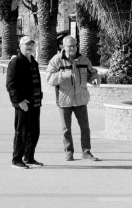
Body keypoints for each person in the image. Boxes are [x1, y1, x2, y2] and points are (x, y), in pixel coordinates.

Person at [46, 35, 100, 161]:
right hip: (64, 101)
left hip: (81, 100)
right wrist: (61, 75)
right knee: (66, 129)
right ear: (63, 47)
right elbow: (49, 79)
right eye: (70, 46)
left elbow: (92, 73)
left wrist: (95, 79)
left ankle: (86, 152)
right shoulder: (56, 60)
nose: (73, 48)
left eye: (75, 45)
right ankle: (68, 152)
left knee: (85, 128)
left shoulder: (84, 60)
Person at [6, 37, 43, 169]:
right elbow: (11, 85)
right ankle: (16, 159)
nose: (30, 47)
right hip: (23, 104)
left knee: (34, 132)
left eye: (32, 44)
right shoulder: (16, 62)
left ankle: (29, 157)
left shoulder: (33, 62)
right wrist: (19, 100)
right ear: (20, 46)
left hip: (35, 103)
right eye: (27, 45)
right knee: (21, 132)